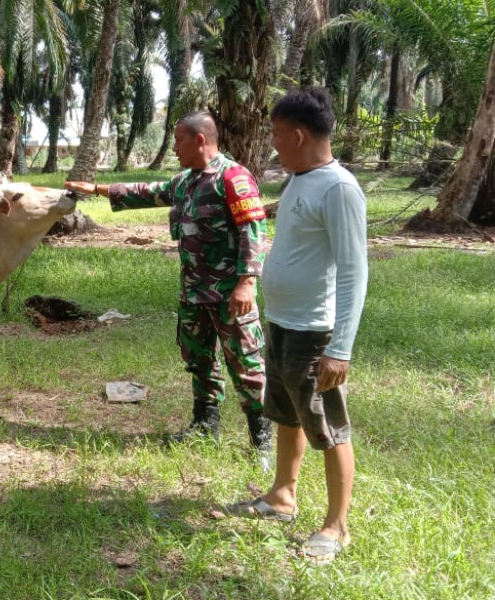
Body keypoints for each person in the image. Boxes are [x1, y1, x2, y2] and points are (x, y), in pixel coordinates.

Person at [64, 111, 273, 462]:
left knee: (246, 364)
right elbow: (148, 191)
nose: (174, 148)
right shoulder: (187, 181)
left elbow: (252, 230)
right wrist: (97, 189)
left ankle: (261, 441)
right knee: (199, 359)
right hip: (193, 293)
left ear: (200, 140)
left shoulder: (233, 178)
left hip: (228, 294)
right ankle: (205, 424)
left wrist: (247, 282)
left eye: (178, 140)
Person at [223, 88, 368, 565]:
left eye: (277, 134)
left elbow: (353, 271)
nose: (273, 143)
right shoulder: (300, 180)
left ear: (300, 134)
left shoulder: (339, 188)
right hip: (282, 323)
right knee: (286, 414)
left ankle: (336, 526)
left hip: (315, 334)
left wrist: (340, 347)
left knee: (327, 427)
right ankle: (282, 496)